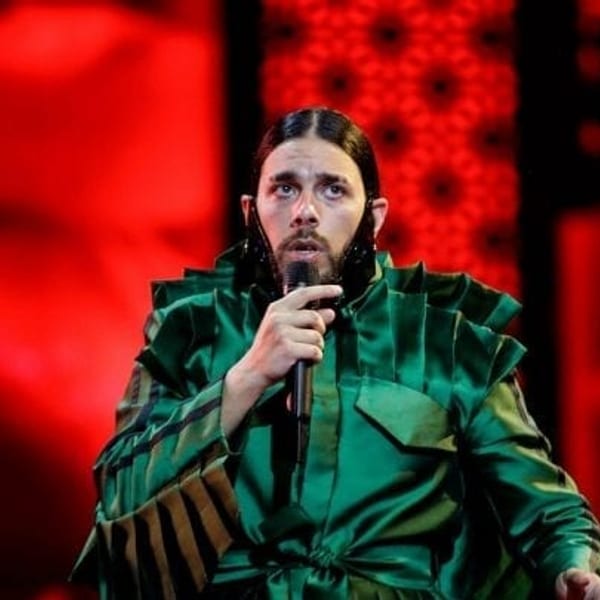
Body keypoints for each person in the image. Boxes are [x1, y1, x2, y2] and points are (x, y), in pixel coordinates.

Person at [71, 107, 600, 599]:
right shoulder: (192, 331)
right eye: (284, 188)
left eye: (332, 189)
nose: (305, 212)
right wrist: (244, 380)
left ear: (374, 216)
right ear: (251, 211)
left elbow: (546, 509)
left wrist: (573, 569)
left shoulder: (446, 342)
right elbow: (121, 489)